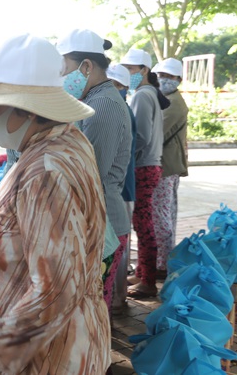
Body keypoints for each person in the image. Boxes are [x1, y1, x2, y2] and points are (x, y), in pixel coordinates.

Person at [0, 34, 110, 374]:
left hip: (46, 357)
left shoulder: (46, 170)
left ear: (25, 108)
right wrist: (3, 205)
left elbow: (57, 288)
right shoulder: (64, 142)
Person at [58, 29, 132, 314]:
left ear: (86, 67)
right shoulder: (93, 100)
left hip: (104, 223)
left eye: (64, 69)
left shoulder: (103, 104)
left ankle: (96, 360)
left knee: (91, 310)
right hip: (96, 219)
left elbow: (90, 174)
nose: (61, 78)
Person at [121, 49, 163, 298]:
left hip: (144, 166)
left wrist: (124, 157)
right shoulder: (148, 94)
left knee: (144, 224)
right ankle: (142, 273)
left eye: (131, 69)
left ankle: (148, 281)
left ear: (144, 70)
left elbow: (141, 136)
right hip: (150, 165)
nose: (128, 74)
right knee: (142, 222)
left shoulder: (142, 96)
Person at [151, 58, 189, 275]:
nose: (164, 80)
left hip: (165, 167)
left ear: (178, 80)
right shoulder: (167, 99)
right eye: (161, 75)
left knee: (161, 217)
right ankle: (163, 262)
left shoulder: (174, 103)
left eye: (169, 76)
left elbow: (156, 133)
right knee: (165, 215)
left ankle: (162, 265)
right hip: (168, 165)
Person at [107, 64, 137, 312]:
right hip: (122, 185)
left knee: (119, 245)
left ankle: (119, 297)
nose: (114, 90)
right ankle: (119, 295)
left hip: (122, 188)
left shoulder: (119, 110)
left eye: (117, 86)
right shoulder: (121, 108)